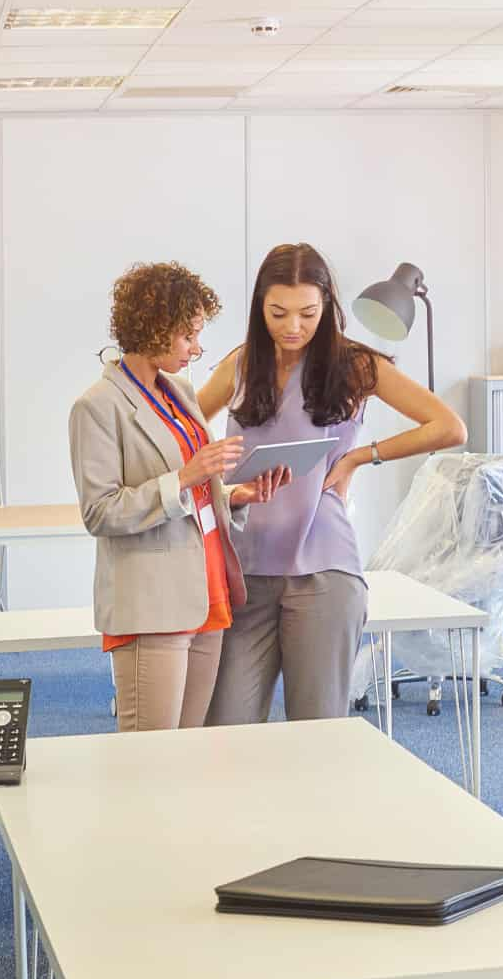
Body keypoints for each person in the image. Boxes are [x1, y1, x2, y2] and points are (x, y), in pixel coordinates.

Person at [196, 243, 465, 724]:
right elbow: (186, 433)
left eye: (307, 313)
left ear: (327, 307)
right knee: (224, 731)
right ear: (260, 307)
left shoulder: (356, 363)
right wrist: (214, 477)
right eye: (278, 313)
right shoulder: (241, 364)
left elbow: (448, 426)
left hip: (324, 569)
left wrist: (360, 457)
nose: (293, 326)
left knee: (317, 733)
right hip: (246, 570)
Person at [68, 262, 286, 732]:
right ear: (155, 329)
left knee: (189, 754)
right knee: (150, 758)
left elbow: (195, 498)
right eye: (188, 336)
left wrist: (236, 495)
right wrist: (187, 476)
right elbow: (100, 511)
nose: (197, 348)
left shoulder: (180, 392)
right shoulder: (98, 406)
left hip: (205, 590)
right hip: (152, 602)